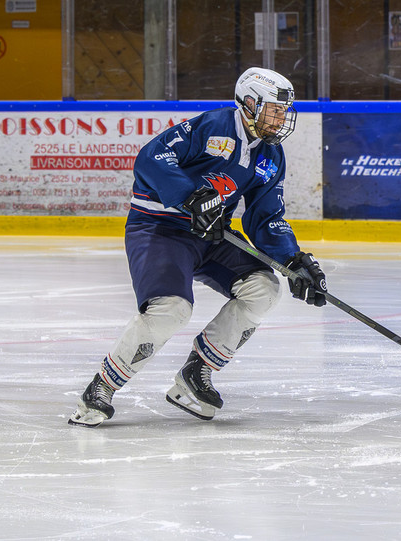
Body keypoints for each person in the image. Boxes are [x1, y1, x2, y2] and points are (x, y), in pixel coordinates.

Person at [68, 67, 327, 427]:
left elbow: (265, 217)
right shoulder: (212, 127)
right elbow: (151, 158)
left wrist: (293, 260)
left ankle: (196, 374)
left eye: (284, 111)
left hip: (211, 235)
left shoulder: (271, 156)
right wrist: (191, 197)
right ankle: (101, 388)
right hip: (160, 229)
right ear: (249, 104)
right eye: (274, 110)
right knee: (171, 308)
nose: (281, 119)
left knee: (263, 289)